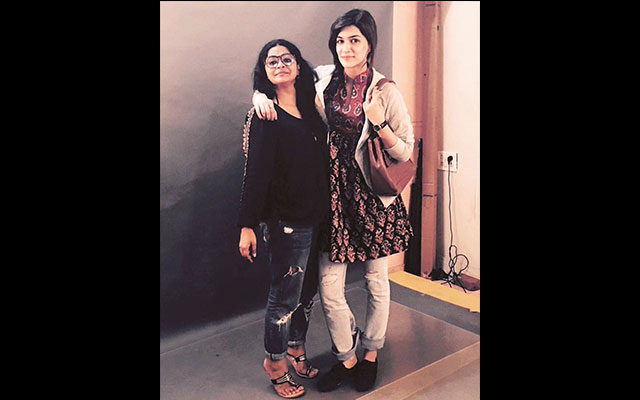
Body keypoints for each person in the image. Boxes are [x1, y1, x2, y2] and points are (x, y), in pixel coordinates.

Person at [252, 9, 415, 393]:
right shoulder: (323, 79)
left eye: (355, 40)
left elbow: (405, 151)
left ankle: (370, 353)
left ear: (370, 45)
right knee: (329, 286)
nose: (346, 48)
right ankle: (346, 356)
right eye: (340, 40)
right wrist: (258, 95)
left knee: (376, 281)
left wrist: (379, 123)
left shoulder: (385, 90)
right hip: (333, 198)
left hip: (372, 199)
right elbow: (282, 78)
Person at [238, 38, 329, 399]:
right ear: (264, 70)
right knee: (284, 297)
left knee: (307, 292)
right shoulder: (266, 115)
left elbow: (338, 69)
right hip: (288, 223)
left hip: (317, 217)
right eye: (271, 61)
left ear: (297, 64)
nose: (279, 65)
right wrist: (247, 225)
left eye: (286, 58)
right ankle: (275, 363)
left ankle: (295, 348)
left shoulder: (310, 105)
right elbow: (255, 174)